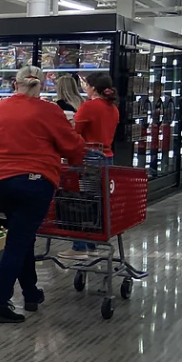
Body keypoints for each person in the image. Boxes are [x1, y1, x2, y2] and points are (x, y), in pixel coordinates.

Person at [0, 65, 85, 323]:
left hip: (2, 180)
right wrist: (80, 151)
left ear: (15, 84)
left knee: (23, 237)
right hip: (35, 180)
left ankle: (31, 293)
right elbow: (71, 146)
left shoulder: (2, 106)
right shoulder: (49, 110)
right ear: (41, 86)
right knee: (18, 242)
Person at [61, 73, 121, 259]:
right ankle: (92, 244)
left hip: (89, 159)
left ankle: (79, 247)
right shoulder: (113, 109)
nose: (84, 88)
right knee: (95, 202)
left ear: (93, 88)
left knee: (81, 202)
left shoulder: (89, 107)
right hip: (107, 159)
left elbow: (75, 134)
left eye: (86, 85)